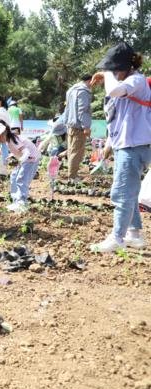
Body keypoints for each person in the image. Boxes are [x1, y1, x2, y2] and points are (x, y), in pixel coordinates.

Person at [89, 42, 151, 253]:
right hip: (128, 145)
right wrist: (109, 147)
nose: (113, 73)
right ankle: (133, 233)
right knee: (130, 192)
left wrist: (106, 74)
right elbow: (117, 121)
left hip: (133, 146)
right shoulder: (128, 84)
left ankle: (117, 238)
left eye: (115, 68)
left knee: (121, 193)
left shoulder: (136, 80)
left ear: (126, 67)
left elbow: (114, 90)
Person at [0, 120, 41, 213]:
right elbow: (18, 151)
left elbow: (26, 152)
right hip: (26, 159)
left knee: (21, 179)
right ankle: (16, 201)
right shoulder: (9, 141)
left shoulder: (14, 140)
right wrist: (11, 156)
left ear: (4, 133)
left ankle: (21, 203)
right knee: (13, 176)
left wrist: (20, 160)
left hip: (31, 159)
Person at [63, 74, 93, 181]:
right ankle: (73, 176)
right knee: (77, 152)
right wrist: (86, 126)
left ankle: (71, 174)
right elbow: (83, 110)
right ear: (90, 81)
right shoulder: (83, 92)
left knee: (71, 150)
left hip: (70, 125)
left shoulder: (71, 90)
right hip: (79, 126)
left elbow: (66, 109)